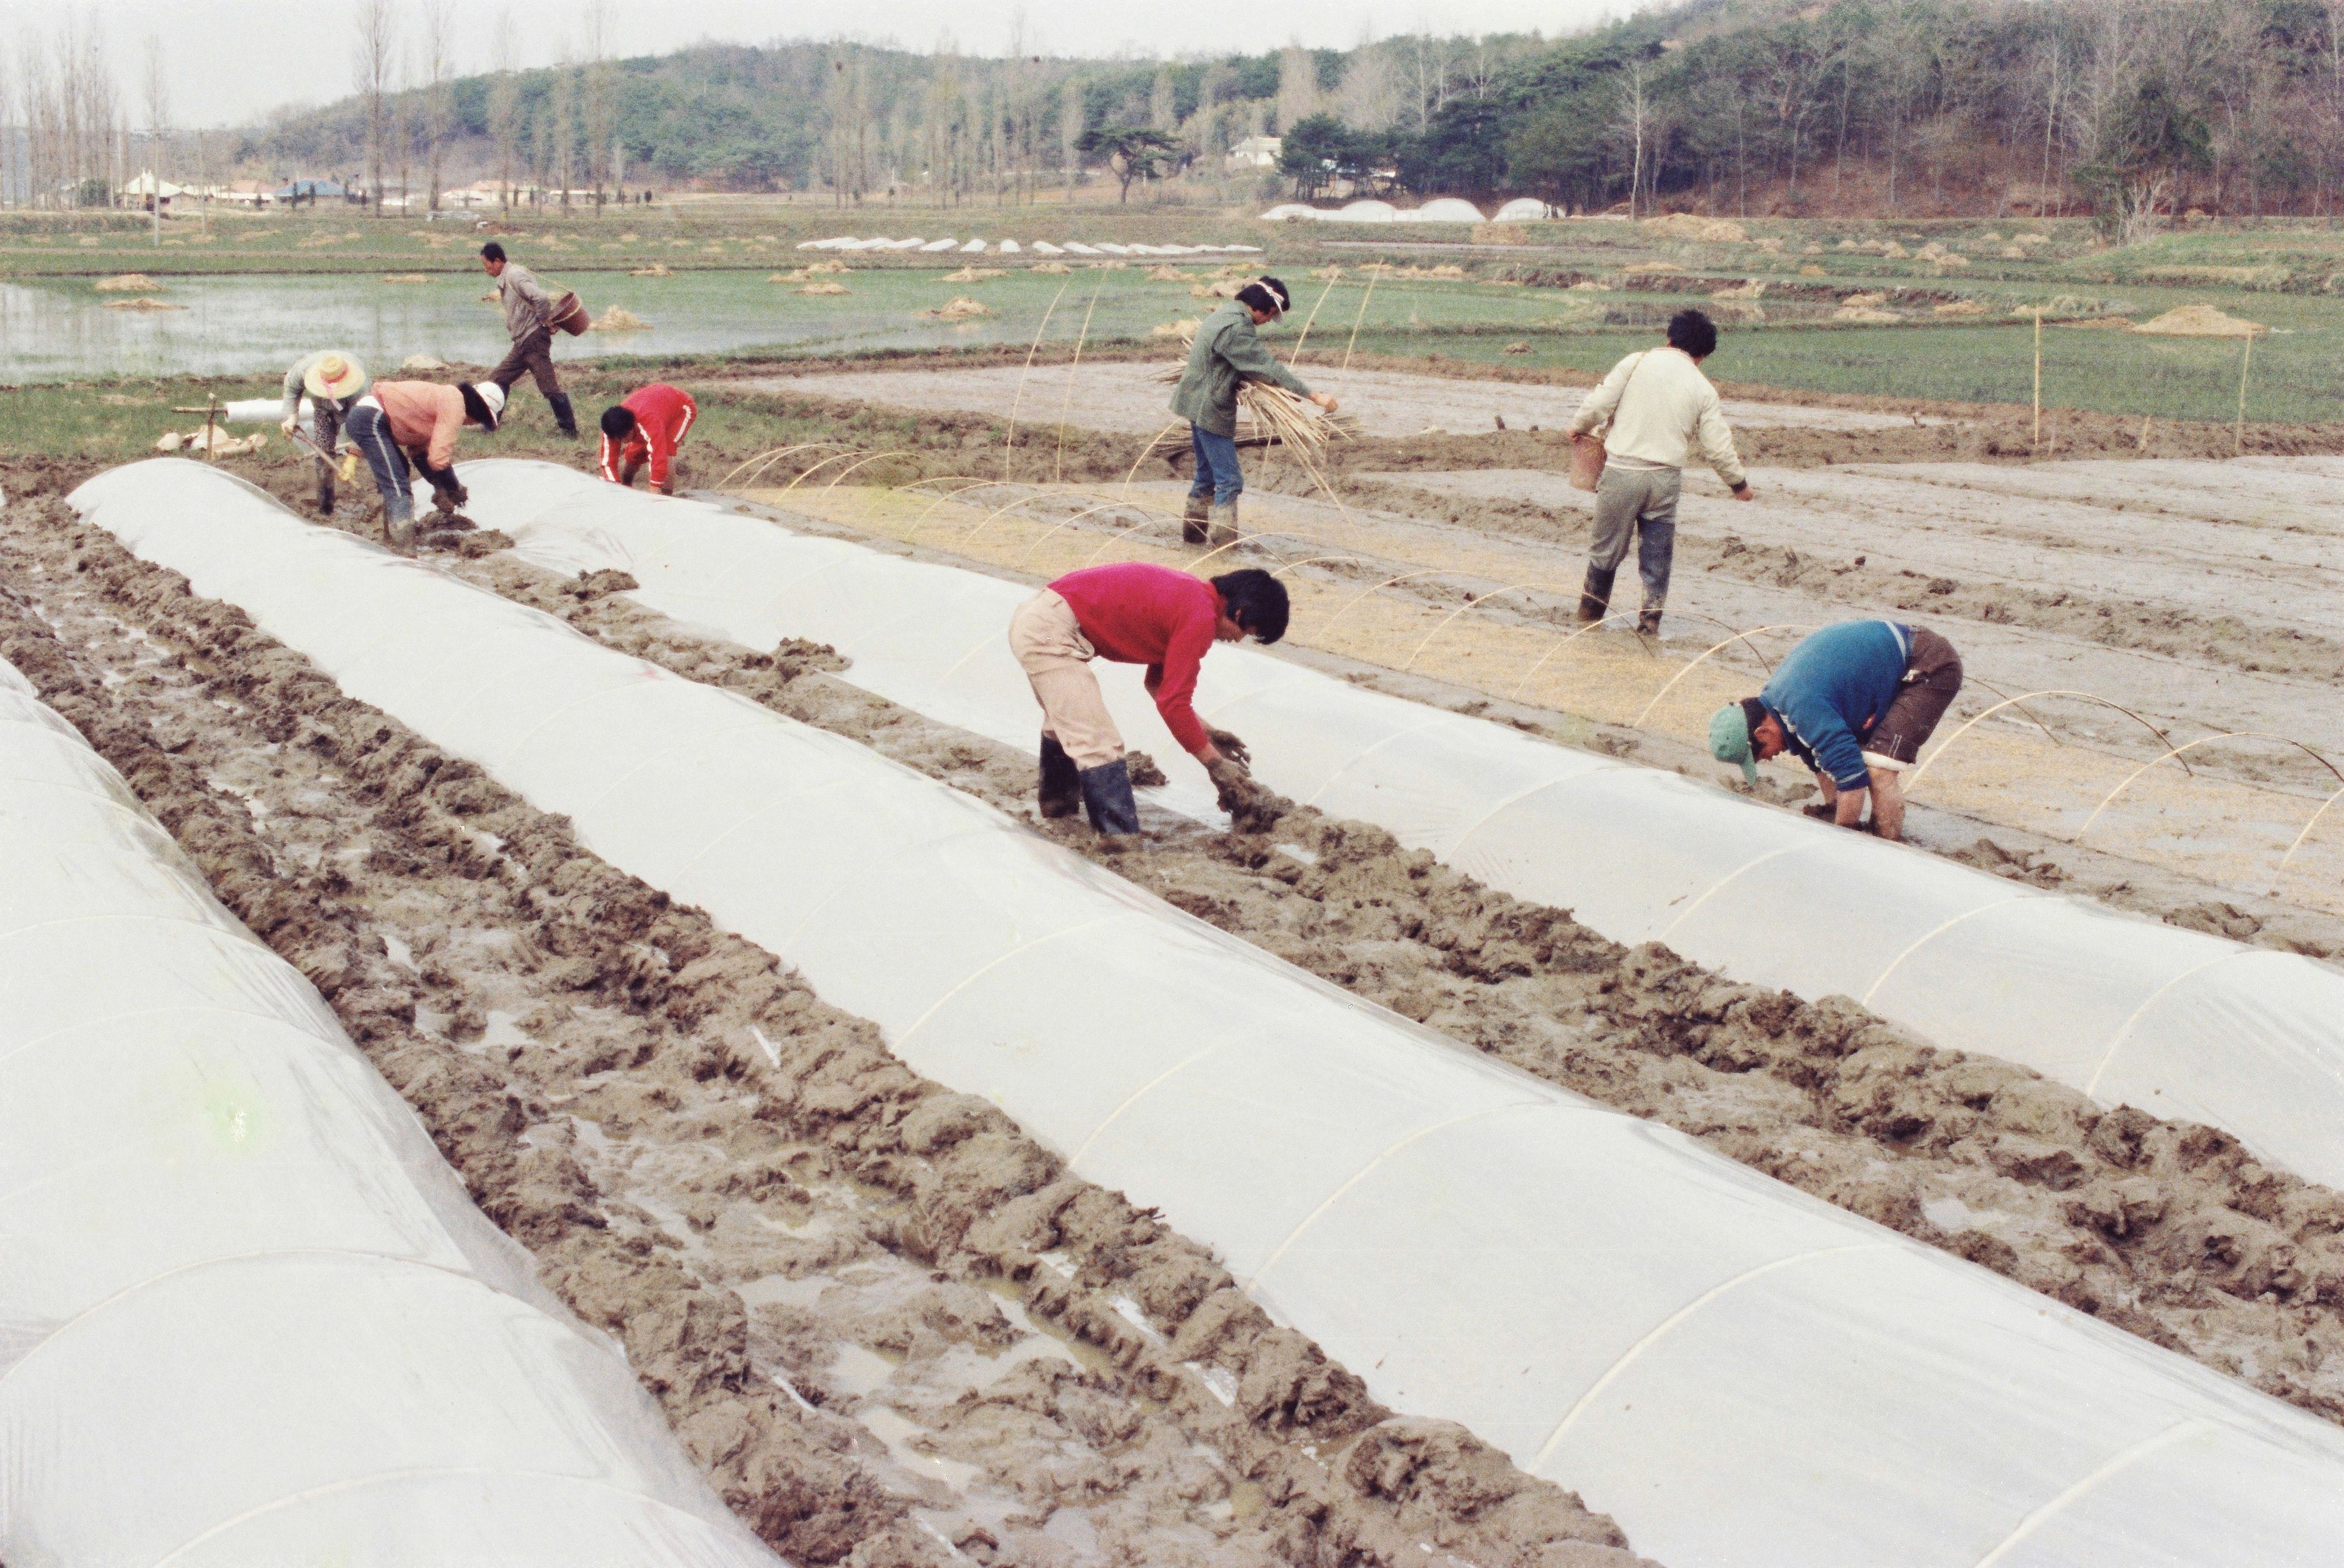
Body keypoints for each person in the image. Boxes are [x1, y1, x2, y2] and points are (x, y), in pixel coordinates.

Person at [1007, 562, 1289, 835]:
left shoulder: (1194, 599)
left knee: (1067, 725)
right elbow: (1173, 703)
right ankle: (1119, 841)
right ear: (1240, 613)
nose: (1238, 640)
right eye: (1248, 632)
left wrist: (1210, 734)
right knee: (1098, 743)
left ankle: (1059, 810)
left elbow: (1158, 686)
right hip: (1051, 631)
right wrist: (1216, 766)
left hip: (1041, 617)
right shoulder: (1200, 617)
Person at [1567, 308, 1755, 636]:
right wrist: (1739, 484)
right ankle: (1649, 625)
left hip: (1623, 473)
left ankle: (1590, 615)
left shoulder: (1636, 362)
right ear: (1701, 355)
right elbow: (1717, 446)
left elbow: (1600, 404)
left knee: (1606, 551)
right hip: (1665, 480)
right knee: (1657, 558)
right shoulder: (1702, 387)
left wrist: (1578, 427)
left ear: (1669, 338)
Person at [1708, 618, 1965, 842]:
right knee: (1849, 762)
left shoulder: (1801, 707)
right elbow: (1822, 762)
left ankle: (1889, 849)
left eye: (1759, 756)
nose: (1768, 759)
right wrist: (1833, 809)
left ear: (1762, 734)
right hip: (1893, 657)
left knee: (1878, 768)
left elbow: (1852, 777)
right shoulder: (1778, 701)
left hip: (1928, 665)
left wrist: (1840, 840)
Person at [1169, 278, 1339, 546]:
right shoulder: (1237, 328)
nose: (1268, 322)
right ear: (1263, 307)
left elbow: (1241, 365)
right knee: (1230, 481)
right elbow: (1265, 367)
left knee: (1207, 474)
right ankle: (1223, 550)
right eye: (1271, 315)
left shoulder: (1225, 313)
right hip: (1210, 408)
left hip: (1194, 402)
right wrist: (1313, 395)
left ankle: (1193, 539)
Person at [344, 379, 505, 552]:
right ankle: (405, 551)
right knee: (397, 484)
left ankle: (391, 538)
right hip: (371, 418)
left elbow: (421, 455)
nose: (474, 424)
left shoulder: (443, 403)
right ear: (479, 410)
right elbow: (438, 459)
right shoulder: (455, 404)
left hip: (371, 417)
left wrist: (440, 487)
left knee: (400, 471)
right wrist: (453, 487)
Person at [479, 241, 577, 437]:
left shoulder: (514, 276)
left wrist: (543, 322)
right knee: (498, 380)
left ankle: (569, 430)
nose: (486, 270)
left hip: (533, 341)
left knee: (549, 388)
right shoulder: (508, 277)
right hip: (522, 342)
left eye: (486, 265)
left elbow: (541, 298)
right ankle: (491, 425)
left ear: (497, 261)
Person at [277, 351, 370, 516]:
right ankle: (325, 505)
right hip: (323, 409)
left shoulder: (361, 386)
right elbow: (292, 388)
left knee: (371, 447)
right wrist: (291, 418)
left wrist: (353, 456)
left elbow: (364, 422)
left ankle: (379, 494)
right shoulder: (305, 369)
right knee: (323, 453)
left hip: (355, 411)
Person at [599, 383, 698, 495]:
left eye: (624, 436)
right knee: (634, 454)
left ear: (632, 427)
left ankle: (667, 498)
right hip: (654, 407)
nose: (622, 441)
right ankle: (626, 485)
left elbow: (658, 458)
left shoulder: (649, 422)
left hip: (681, 409)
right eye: (618, 439)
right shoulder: (610, 429)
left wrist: (654, 495)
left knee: (666, 451)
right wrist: (616, 491)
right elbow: (608, 464)